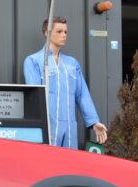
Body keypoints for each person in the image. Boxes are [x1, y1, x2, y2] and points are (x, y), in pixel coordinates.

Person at [23, 17, 108, 149]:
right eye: (59, 31)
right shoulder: (34, 61)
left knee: (69, 162)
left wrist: (94, 122)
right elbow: (35, 96)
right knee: (48, 162)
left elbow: (82, 94)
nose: (63, 35)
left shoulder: (71, 63)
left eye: (66, 32)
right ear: (47, 32)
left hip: (70, 126)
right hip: (48, 124)